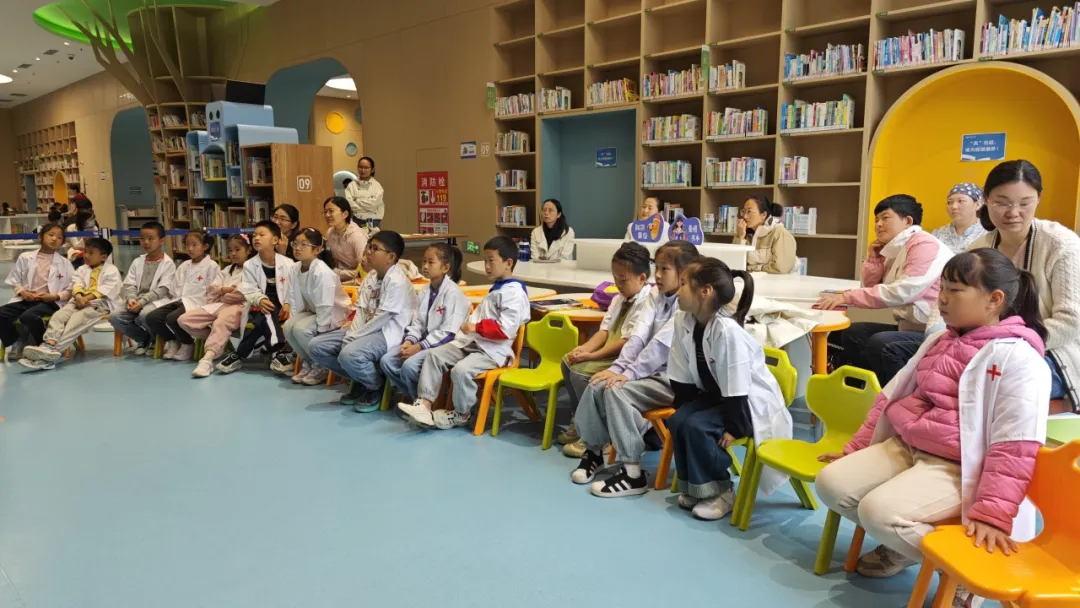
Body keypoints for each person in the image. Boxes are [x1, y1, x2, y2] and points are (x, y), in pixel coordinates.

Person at [816, 249, 1050, 608]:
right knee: (831, 484)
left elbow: (1015, 444)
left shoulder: (1018, 358)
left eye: (955, 290)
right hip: (907, 445)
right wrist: (856, 449)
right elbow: (891, 397)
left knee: (879, 513)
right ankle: (912, 549)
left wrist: (992, 514)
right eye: (942, 287)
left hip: (956, 464)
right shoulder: (941, 339)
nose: (941, 299)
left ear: (994, 300)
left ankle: (961, 574)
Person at [879, 160, 1080, 407]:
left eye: (1024, 203)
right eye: (1002, 203)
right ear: (986, 200)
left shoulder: (1061, 245)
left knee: (971, 380)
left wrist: (1001, 346)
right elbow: (947, 297)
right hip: (977, 345)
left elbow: (1071, 320)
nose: (1013, 212)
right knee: (909, 359)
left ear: (1038, 199)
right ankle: (906, 419)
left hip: (1049, 353)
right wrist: (937, 335)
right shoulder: (980, 247)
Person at [668, 256, 793, 520]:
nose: (677, 291)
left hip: (746, 404)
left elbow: (737, 387)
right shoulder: (683, 321)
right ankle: (696, 488)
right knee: (679, 421)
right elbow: (680, 371)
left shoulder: (727, 331)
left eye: (683, 284)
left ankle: (721, 491)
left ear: (705, 291)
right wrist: (686, 407)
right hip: (716, 396)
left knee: (698, 427)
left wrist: (736, 428)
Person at [569, 240, 698, 495]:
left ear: (684, 273)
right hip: (647, 373)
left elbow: (660, 346)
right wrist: (617, 369)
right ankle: (594, 452)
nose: (657, 275)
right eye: (656, 267)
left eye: (664, 269)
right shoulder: (654, 295)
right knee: (597, 383)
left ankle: (632, 473)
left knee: (616, 391)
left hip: (673, 380)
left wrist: (627, 374)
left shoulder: (686, 304)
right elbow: (638, 337)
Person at [398, 236, 530, 430]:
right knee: (435, 355)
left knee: (461, 370)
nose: (486, 266)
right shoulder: (499, 288)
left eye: (491, 261)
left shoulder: (515, 293)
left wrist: (476, 327)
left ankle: (462, 414)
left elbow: (505, 329)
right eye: (485, 261)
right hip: (472, 342)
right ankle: (424, 405)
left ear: (508, 263)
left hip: (491, 351)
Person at [818, 195, 953, 374]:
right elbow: (871, 285)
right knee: (852, 333)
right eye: (876, 220)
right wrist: (874, 259)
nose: (878, 225)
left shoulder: (924, 244)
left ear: (907, 221)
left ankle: (897, 390)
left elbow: (903, 291)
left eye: (885, 218)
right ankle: (868, 386)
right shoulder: (895, 248)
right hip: (909, 325)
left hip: (934, 332)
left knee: (882, 343)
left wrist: (847, 296)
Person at [560, 242, 654, 453]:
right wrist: (584, 349)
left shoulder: (647, 301)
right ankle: (579, 421)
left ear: (642, 278)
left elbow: (628, 342)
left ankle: (596, 434)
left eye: (623, 279)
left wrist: (591, 357)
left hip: (626, 358)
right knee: (567, 361)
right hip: (609, 353)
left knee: (580, 374)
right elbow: (604, 331)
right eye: (615, 278)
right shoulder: (619, 299)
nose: (617, 284)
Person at [308, 231, 415, 411]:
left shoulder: (397, 281)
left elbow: (383, 318)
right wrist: (352, 334)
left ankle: (375, 386)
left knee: (349, 354)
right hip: (365, 330)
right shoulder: (371, 277)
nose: (368, 252)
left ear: (390, 257)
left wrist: (355, 337)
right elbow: (361, 311)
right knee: (316, 346)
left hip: (387, 333)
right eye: (369, 247)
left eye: (375, 248)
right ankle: (360, 378)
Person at [381, 243, 470, 402]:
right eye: (424, 261)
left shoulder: (454, 294)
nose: (425, 266)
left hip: (442, 346)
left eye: (431, 262)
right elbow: (418, 322)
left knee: (409, 367)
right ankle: (413, 395)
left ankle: (423, 402)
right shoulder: (424, 290)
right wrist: (409, 341)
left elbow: (448, 333)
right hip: (422, 343)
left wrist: (419, 347)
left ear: (445, 267)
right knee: (387, 361)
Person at [19, 238, 121, 370]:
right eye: (85, 251)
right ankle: (49, 344)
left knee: (74, 322)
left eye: (91, 253)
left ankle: (50, 354)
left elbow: (108, 288)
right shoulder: (82, 269)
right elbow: (76, 283)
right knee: (58, 316)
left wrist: (87, 298)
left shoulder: (111, 270)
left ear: (103, 257)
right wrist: (78, 296)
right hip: (77, 300)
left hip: (98, 303)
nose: (86, 255)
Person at [216, 221, 296, 374]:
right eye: (254, 235)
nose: (257, 238)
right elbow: (250, 290)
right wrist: (260, 300)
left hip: (283, 306)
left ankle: (239, 355)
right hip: (258, 305)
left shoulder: (288, 263)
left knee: (262, 323)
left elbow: (293, 288)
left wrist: (287, 303)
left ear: (275, 240)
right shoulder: (250, 265)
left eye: (262, 235)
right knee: (266, 311)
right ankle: (278, 351)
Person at [281, 228, 351, 386]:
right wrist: (294, 317)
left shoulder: (322, 271)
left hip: (334, 313)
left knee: (301, 329)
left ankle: (321, 364)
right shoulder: (295, 268)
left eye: (304, 244)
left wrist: (322, 331)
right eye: (295, 243)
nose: (297, 248)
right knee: (288, 327)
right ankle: (308, 362)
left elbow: (326, 305)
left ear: (317, 250)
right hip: (314, 311)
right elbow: (293, 296)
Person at [179, 234, 254, 378]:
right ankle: (219, 342)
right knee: (184, 320)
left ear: (248, 250)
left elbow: (241, 293)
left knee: (221, 322)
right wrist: (226, 290)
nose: (233, 253)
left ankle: (207, 359)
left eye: (237, 249)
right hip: (220, 304)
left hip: (239, 307)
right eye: (230, 250)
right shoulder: (227, 269)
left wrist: (223, 291)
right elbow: (212, 289)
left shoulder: (253, 269)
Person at [0, 223, 74, 361]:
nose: (54, 239)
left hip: (50, 302)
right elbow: (15, 280)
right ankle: (16, 342)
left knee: (29, 316)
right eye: (51, 235)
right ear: (40, 237)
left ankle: (44, 346)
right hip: (26, 299)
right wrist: (22, 292)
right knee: (1, 313)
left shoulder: (65, 263)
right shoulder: (25, 257)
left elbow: (71, 289)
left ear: (62, 242)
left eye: (59, 237)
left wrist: (55, 296)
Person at [146, 230, 219, 362]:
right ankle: (173, 341)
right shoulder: (184, 265)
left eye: (194, 245)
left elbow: (213, 291)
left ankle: (187, 344)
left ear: (205, 246)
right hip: (179, 300)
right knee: (152, 317)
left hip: (198, 303)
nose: (190, 249)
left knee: (172, 318)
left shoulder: (212, 266)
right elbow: (175, 288)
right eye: (187, 245)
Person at [109, 222, 176, 356]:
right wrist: (131, 299)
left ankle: (155, 340)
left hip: (157, 301)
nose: (146, 242)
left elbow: (163, 289)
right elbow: (129, 284)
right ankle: (143, 338)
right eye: (142, 238)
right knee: (115, 316)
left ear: (161, 241)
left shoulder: (168, 264)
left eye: (150, 238)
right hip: (136, 301)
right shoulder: (137, 262)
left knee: (145, 315)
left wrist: (142, 302)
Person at [734, 195, 797, 274]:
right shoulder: (744, 233)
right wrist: (739, 237)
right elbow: (735, 262)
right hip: (751, 280)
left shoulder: (780, 233)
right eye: (743, 211)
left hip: (776, 281)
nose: (745, 216)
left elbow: (781, 268)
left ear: (763, 215)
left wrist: (752, 268)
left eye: (749, 211)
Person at [931, 183, 987, 254]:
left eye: (961, 201)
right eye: (950, 202)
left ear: (978, 205)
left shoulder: (988, 233)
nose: (954, 206)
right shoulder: (937, 233)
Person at [324, 196, 368, 284]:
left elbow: (365, 269)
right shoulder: (330, 232)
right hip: (337, 276)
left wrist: (338, 273)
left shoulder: (356, 236)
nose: (327, 215)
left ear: (345, 214)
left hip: (357, 280)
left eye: (331, 211)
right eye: (325, 212)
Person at [344, 156, 384, 230]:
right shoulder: (351, 185)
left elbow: (373, 205)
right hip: (356, 220)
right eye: (360, 167)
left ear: (372, 169)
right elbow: (350, 204)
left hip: (373, 221)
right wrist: (366, 205)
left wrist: (357, 200)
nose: (362, 170)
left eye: (366, 168)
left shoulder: (377, 186)